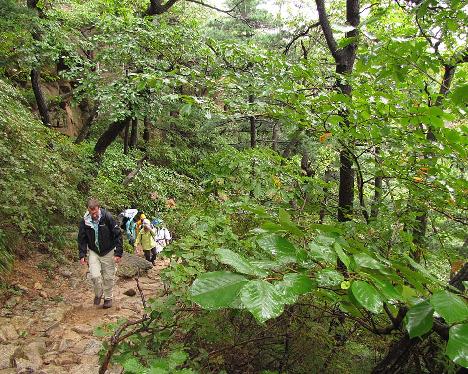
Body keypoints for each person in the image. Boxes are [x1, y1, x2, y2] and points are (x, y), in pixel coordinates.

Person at [78, 198, 122, 309]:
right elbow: (82, 239)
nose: (94, 215)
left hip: (109, 250)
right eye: (91, 212)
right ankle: (98, 293)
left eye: (96, 212)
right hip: (94, 251)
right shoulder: (85, 221)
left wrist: (118, 253)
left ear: (99, 208)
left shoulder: (107, 217)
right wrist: (82, 254)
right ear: (88, 210)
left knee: (108, 277)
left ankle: (108, 298)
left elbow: (118, 234)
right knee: (95, 276)